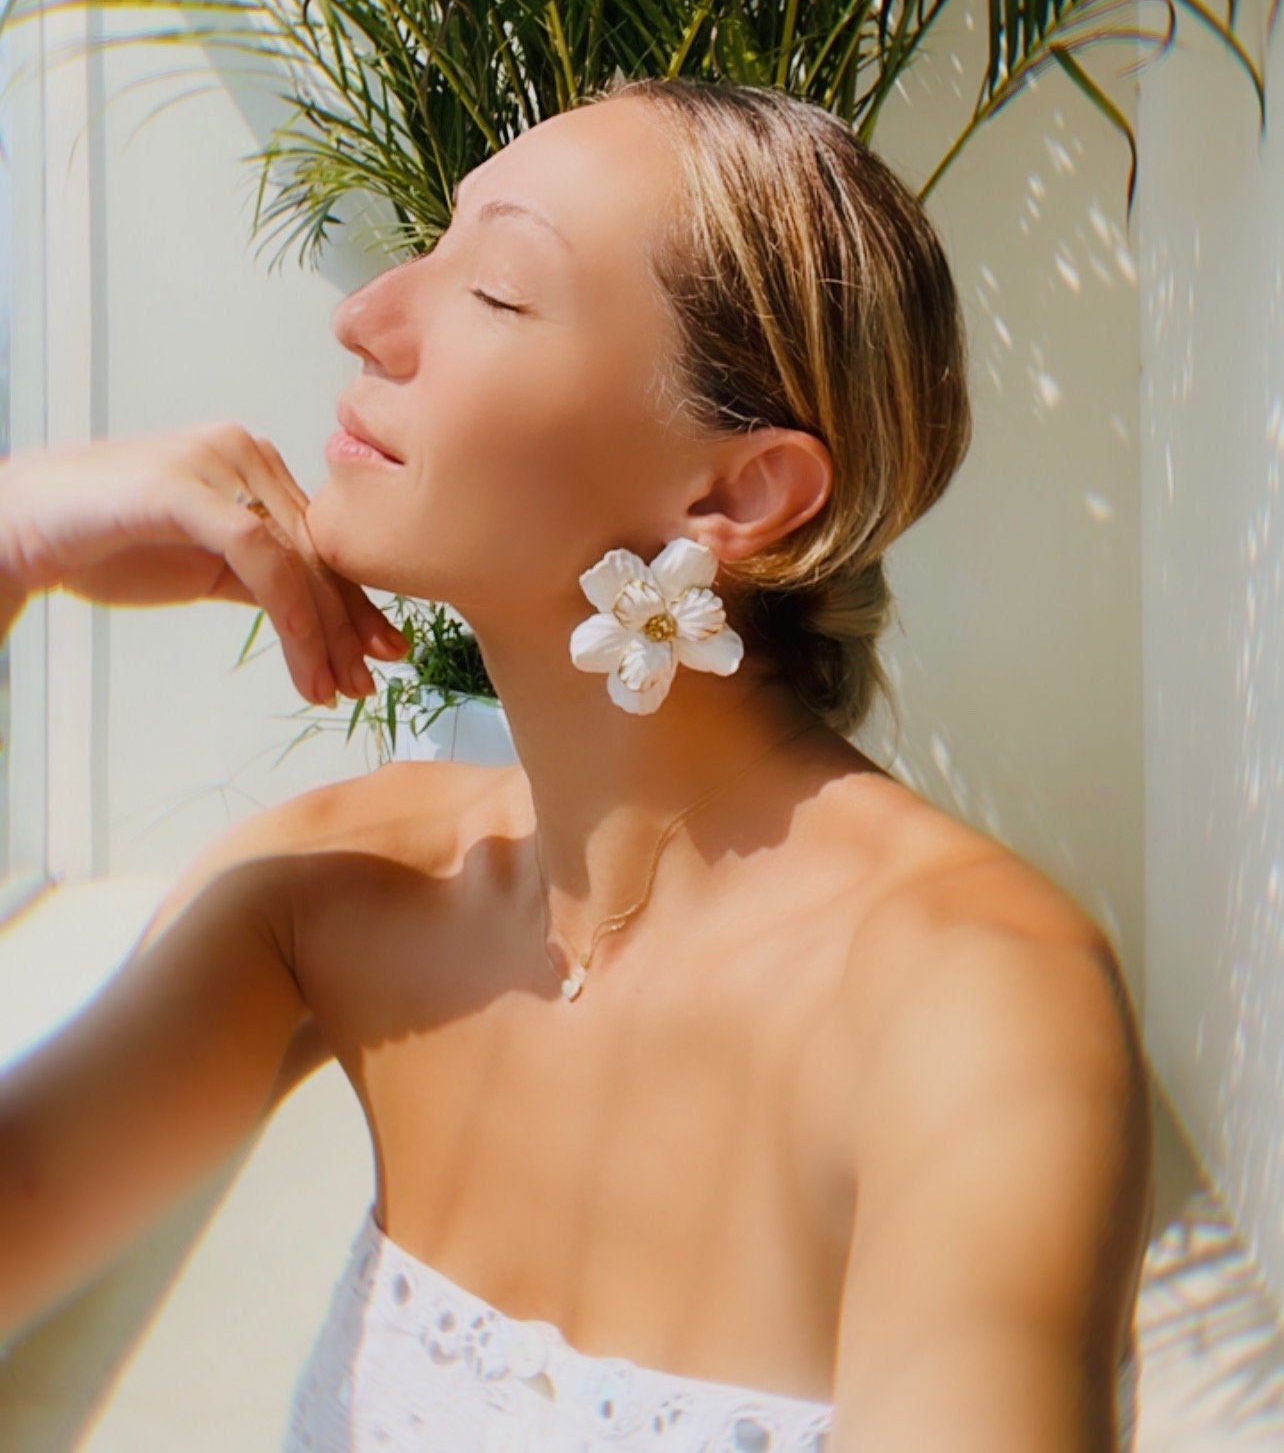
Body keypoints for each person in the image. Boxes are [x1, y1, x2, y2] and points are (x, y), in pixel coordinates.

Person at [0, 78, 1151, 1451]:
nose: (367, 317)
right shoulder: (333, 895)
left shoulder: (967, 999)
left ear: (736, 494)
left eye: (492, 288)